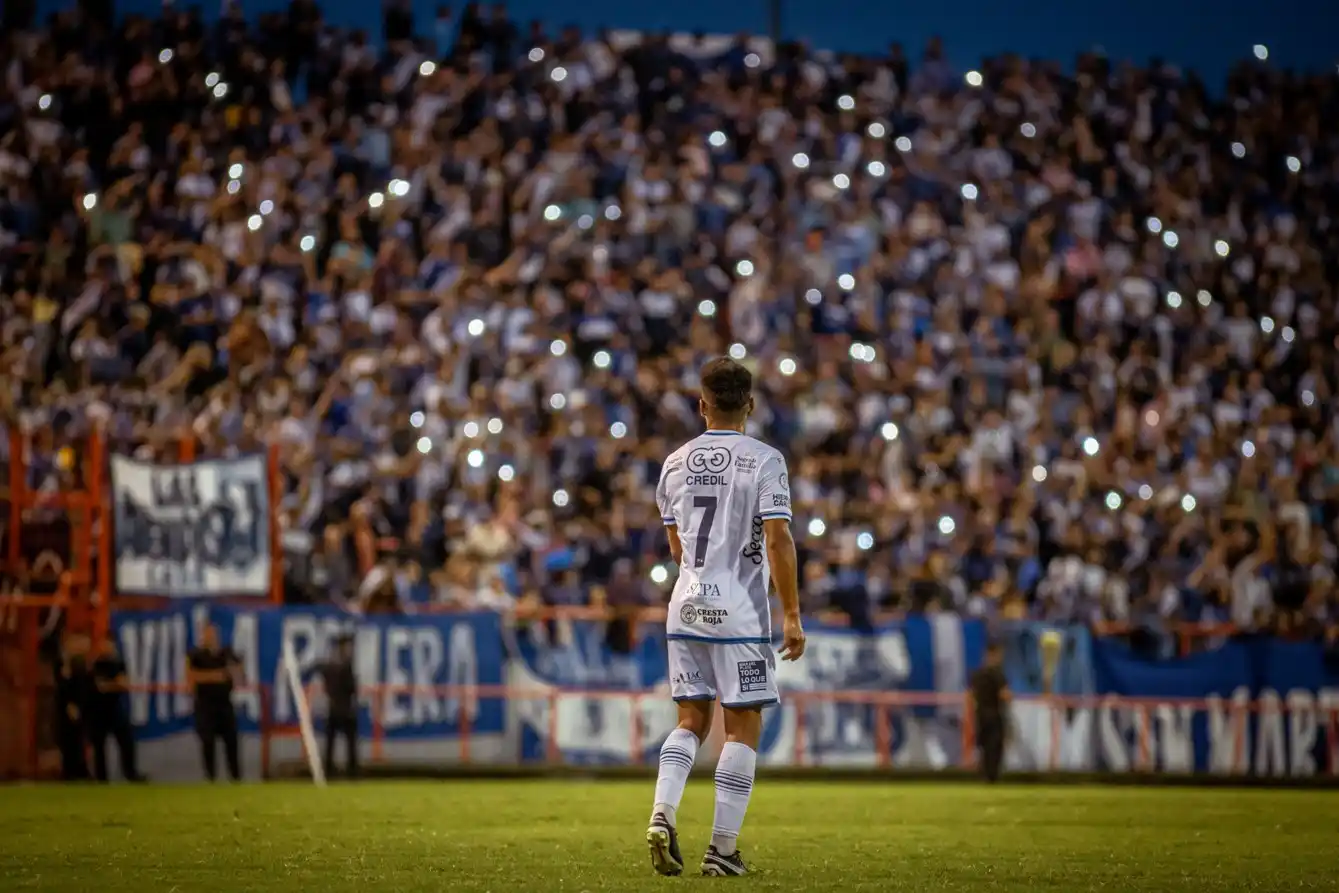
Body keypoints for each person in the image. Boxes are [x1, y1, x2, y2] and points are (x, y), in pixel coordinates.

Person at [646, 357, 806, 878]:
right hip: (739, 612)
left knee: (690, 721)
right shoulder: (765, 460)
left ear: (702, 404)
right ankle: (721, 850)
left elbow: (678, 549)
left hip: (686, 606)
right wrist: (792, 613)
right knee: (742, 725)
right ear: (751, 405)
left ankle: (662, 812)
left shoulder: (674, 462)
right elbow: (778, 538)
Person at [186, 624, 243, 782]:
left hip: (225, 703)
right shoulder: (195, 655)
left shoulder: (226, 653)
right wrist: (215, 676)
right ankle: (211, 777)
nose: (210, 637)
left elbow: (238, 669)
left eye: (213, 634)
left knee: (231, 740)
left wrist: (234, 672)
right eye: (207, 634)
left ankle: (236, 777)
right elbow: (191, 677)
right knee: (208, 741)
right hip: (205, 704)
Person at [89, 634, 144, 782]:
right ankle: (101, 778)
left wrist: (113, 684)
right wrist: (115, 684)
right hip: (98, 709)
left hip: (115, 707)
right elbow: (101, 687)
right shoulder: (96, 664)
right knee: (99, 745)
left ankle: (130, 773)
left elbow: (124, 684)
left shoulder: (118, 662)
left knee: (127, 740)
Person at [318, 634, 360, 778]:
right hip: (346, 709)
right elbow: (351, 688)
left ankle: (328, 769)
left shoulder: (329, 665)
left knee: (331, 742)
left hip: (333, 707)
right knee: (350, 742)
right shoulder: (346, 666)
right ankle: (352, 771)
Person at [970, 642, 1011, 783]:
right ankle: (992, 776)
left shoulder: (977, 674)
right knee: (995, 746)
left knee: (983, 746)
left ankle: (984, 774)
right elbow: (1004, 695)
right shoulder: (998, 674)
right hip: (995, 714)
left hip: (980, 715)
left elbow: (971, 696)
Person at [54, 633, 92, 781]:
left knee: (78, 739)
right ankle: (68, 772)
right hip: (64, 708)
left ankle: (80, 771)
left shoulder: (80, 664)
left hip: (80, 707)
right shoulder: (59, 663)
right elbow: (59, 687)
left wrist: (77, 705)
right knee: (66, 739)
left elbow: (83, 687)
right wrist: (67, 704)